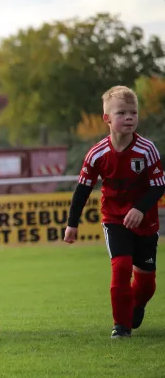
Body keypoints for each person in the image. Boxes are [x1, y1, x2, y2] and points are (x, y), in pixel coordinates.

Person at [64, 85, 165, 339]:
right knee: (121, 267)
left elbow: (159, 185)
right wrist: (71, 223)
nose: (129, 117)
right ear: (107, 118)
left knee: (146, 284)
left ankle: (137, 304)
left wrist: (140, 209)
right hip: (114, 219)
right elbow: (82, 190)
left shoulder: (147, 149)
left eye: (133, 112)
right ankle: (121, 327)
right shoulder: (97, 154)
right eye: (122, 113)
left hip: (146, 221)